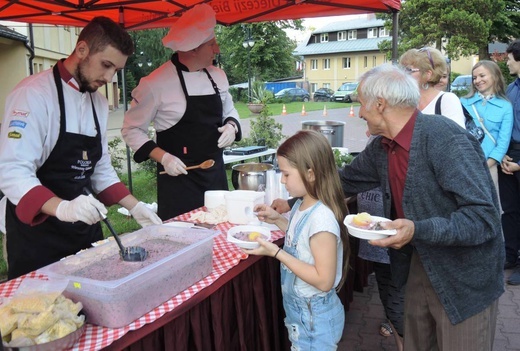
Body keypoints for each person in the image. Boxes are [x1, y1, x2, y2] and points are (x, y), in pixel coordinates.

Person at [338, 63, 504, 350]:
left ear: (380, 104)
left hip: (464, 279)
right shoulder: (381, 147)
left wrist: (417, 229)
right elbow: (344, 182)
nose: (360, 112)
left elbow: (484, 219)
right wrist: (289, 203)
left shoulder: (445, 139)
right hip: (419, 264)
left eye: (362, 104)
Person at [0, 17, 162, 280]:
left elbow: (99, 169)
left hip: (84, 229)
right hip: (39, 237)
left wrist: (135, 206)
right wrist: (64, 208)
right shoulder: (33, 95)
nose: (109, 78)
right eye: (106, 65)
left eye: (116, 70)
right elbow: (12, 172)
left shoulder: (97, 103)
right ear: (82, 50)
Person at [122, 4, 242, 221]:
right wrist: (163, 157)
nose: (217, 50)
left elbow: (229, 109)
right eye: (212, 44)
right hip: (178, 184)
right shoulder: (154, 84)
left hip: (215, 178)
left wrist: (232, 126)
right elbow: (131, 130)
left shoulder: (218, 76)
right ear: (193, 48)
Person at [247, 130, 350, 350]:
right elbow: (302, 241)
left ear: (310, 173)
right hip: (303, 316)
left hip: (315, 320)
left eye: (286, 174)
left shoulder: (322, 219)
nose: (282, 181)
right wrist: (278, 220)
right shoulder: (303, 204)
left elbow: (324, 280)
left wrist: (276, 253)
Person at [460, 60, 513, 207]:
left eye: (482, 75)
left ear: (495, 76)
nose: (478, 80)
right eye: (474, 78)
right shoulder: (463, 102)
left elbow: (503, 142)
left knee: (490, 209)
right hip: (464, 165)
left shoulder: (505, 106)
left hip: (489, 167)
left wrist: (487, 164)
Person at [400, 47, 466, 127]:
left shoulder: (447, 100)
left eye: (409, 70)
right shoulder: (406, 102)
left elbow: (456, 137)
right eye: (402, 69)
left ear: (428, 74)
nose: (402, 74)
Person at [500, 39, 520, 284]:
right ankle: (510, 256)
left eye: (509, 59)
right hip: (510, 155)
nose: (506, 63)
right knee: (510, 211)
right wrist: (503, 153)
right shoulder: (511, 89)